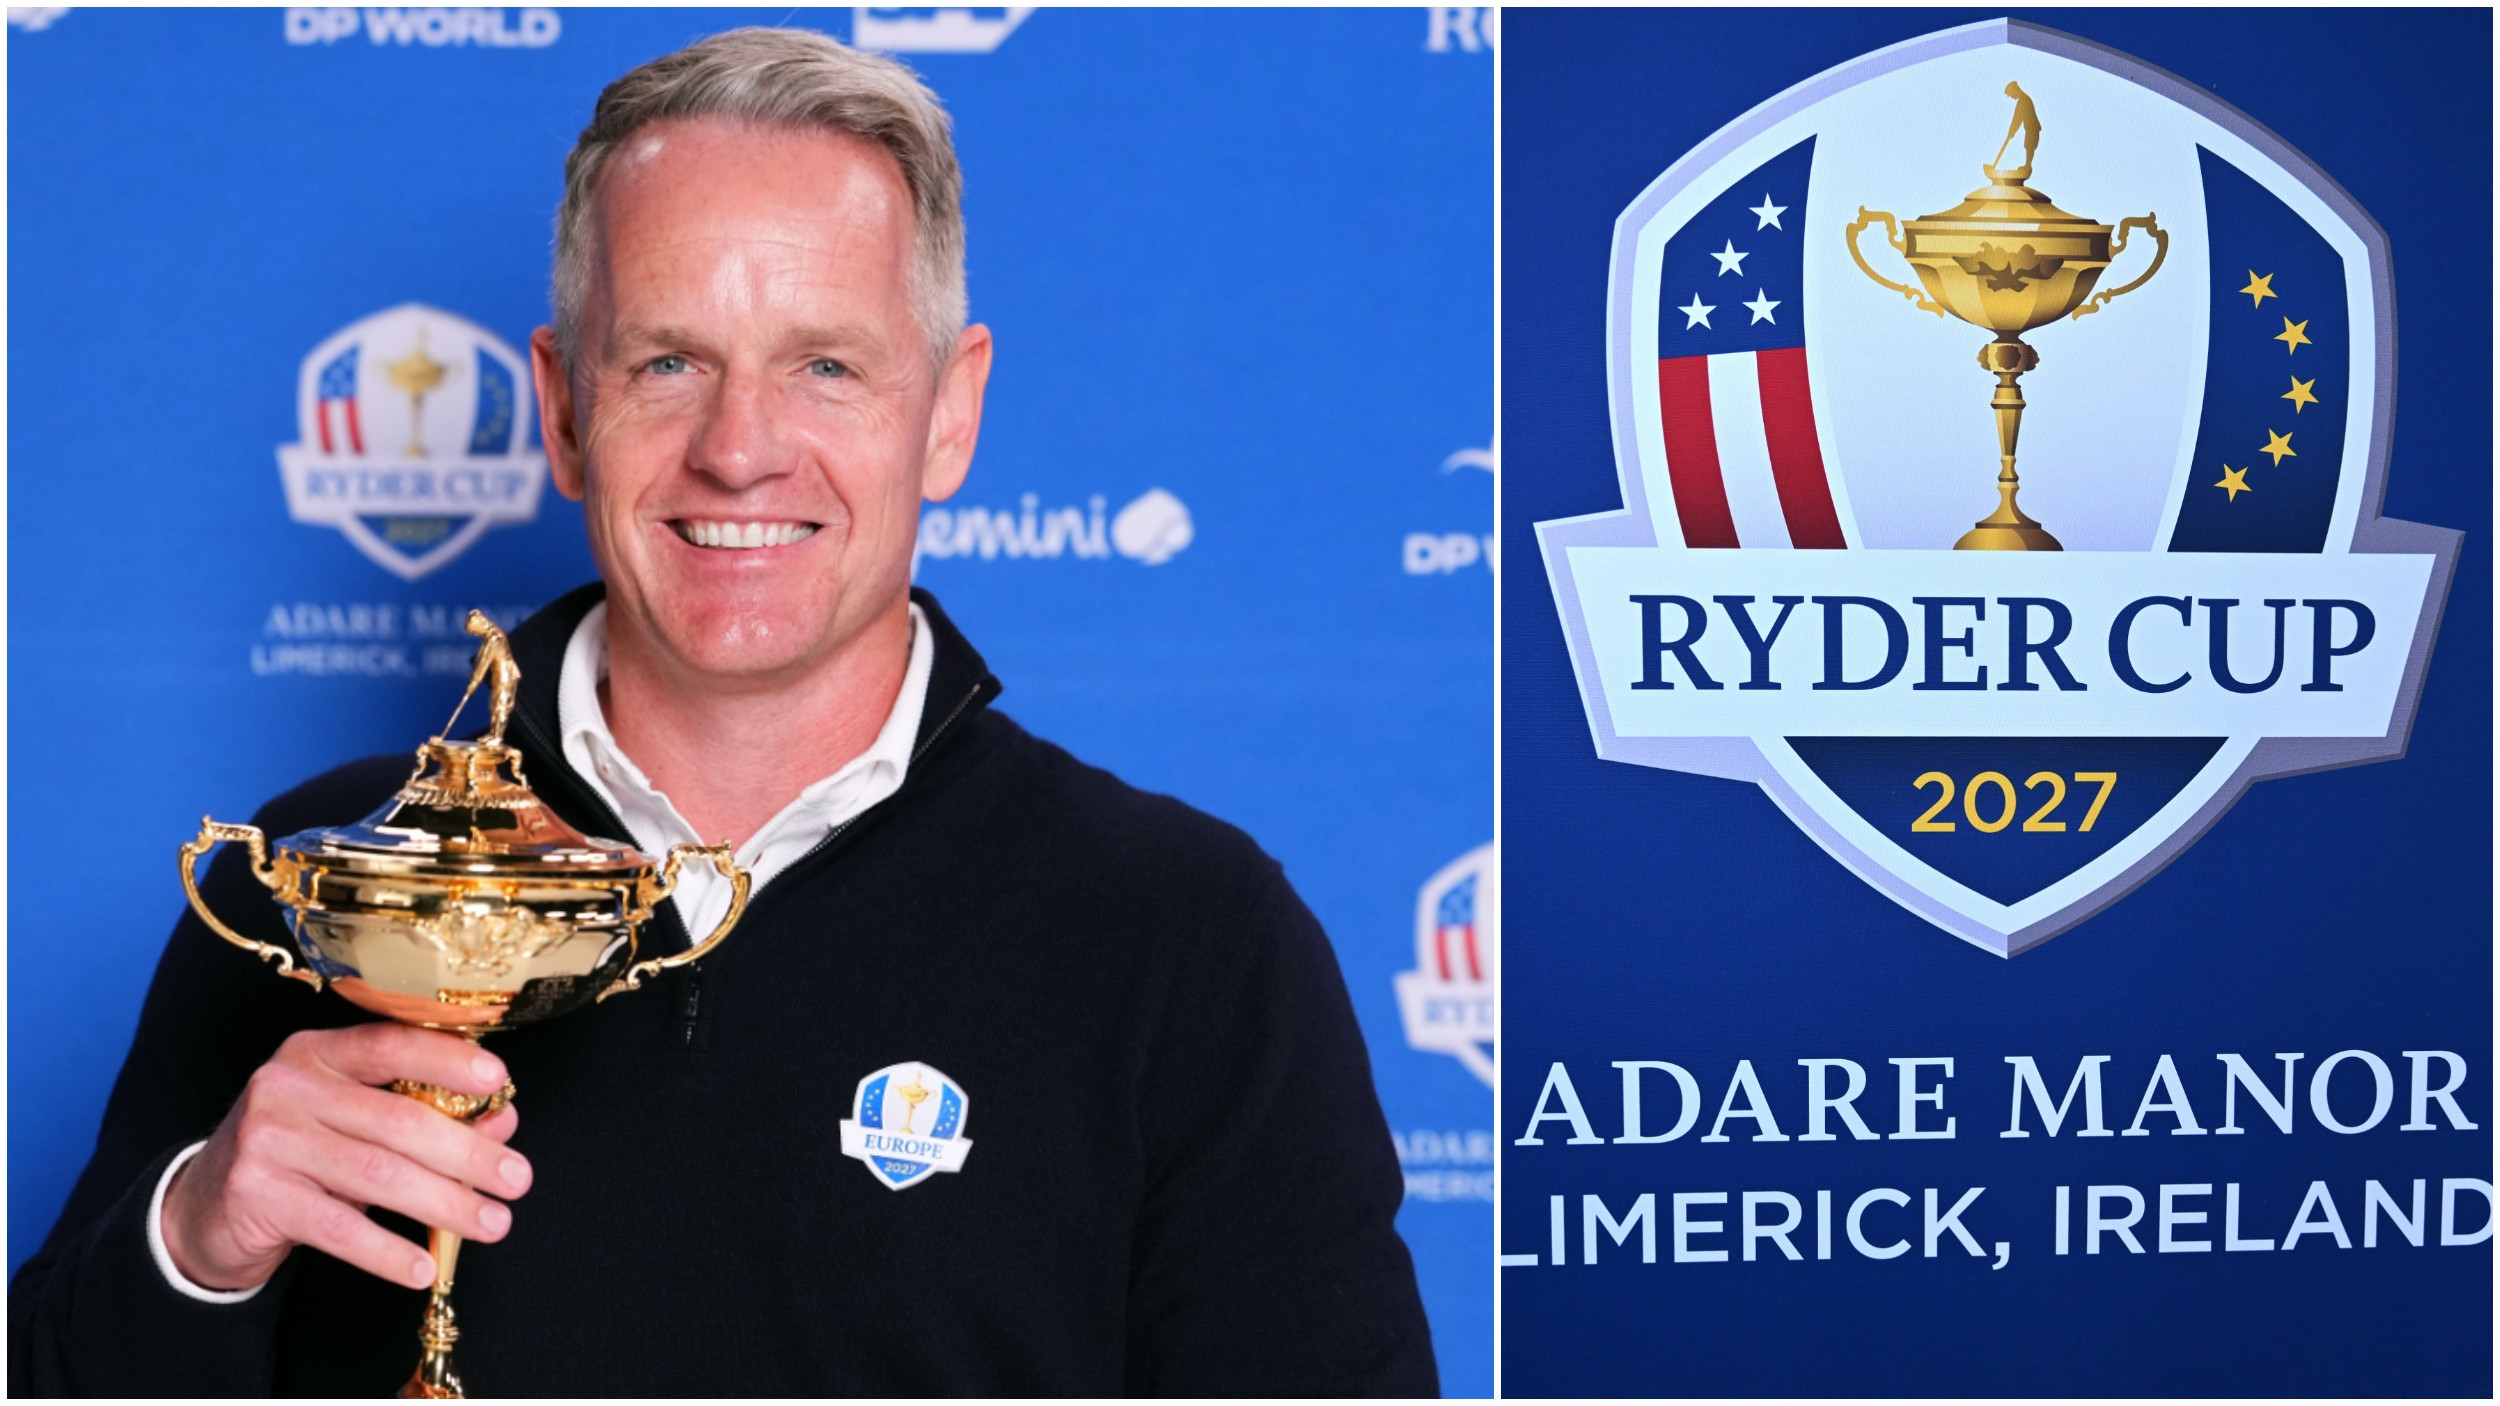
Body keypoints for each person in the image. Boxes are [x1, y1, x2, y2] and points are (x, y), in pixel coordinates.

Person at [9, 28, 1436, 1397]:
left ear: (949, 412)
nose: (739, 450)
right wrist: (192, 1245)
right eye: (669, 361)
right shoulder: (335, 878)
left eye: (825, 363)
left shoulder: (1189, 945)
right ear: (564, 410)